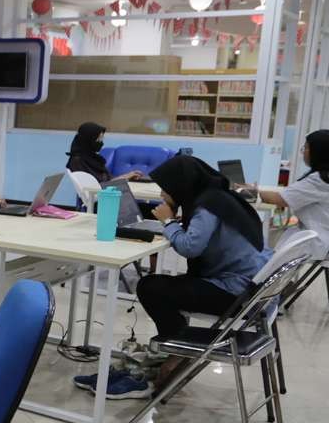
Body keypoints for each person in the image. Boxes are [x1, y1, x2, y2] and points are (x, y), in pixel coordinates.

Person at [73, 156, 271, 399]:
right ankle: (174, 348)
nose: (162, 193)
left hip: (235, 291)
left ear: (181, 185)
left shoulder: (206, 206)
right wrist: (177, 223)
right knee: (163, 285)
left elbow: (190, 247)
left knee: (150, 287)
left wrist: (168, 221)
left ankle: (177, 350)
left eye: (166, 188)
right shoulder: (219, 197)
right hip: (252, 285)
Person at [252, 130, 329, 260]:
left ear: (318, 152)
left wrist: (252, 192)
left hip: (319, 240)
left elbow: (281, 199)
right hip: (320, 235)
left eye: (306, 148)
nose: (303, 152)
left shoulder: (319, 180)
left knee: (269, 256)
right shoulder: (324, 177)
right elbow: (290, 193)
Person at [65, 122, 144, 184]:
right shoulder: (78, 161)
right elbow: (100, 186)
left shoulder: (91, 158)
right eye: (98, 140)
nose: (101, 143)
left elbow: (107, 181)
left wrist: (128, 175)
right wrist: (126, 177)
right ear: (88, 140)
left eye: (101, 140)